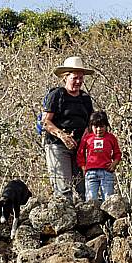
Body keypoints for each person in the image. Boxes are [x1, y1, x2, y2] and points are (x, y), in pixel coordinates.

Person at [43, 56, 95, 201]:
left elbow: (91, 122)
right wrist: (63, 136)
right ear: (66, 77)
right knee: (63, 189)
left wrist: (86, 136)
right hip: (57, 145)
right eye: (74, 78)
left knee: (84, 187)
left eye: (80, 77)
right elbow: (46, 122)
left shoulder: (85, 98)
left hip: (80, 146)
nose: (78, 81)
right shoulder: (57, 95)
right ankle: (64, 220)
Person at [77, 111, 122, 201]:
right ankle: (91, 215)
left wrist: (114, 163)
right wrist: (83, 167)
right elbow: (80, 153)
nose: (98, 129)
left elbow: (117, 153)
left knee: (108, 200)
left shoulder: (111, 137)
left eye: (101, 126)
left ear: (106, 126)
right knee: (91, 200)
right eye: (95, 126)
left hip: (106, 172)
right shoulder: (87, 138)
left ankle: (107, 215)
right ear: (91, 126)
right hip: (90, 173)